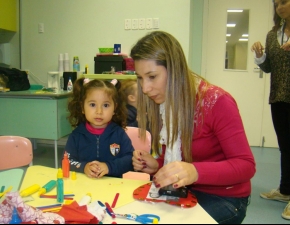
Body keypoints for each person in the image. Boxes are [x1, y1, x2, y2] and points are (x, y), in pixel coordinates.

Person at [130, 31, 256, 224]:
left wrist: (195, 172)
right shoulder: (164, 103)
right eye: (140, 78)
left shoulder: (217, 101)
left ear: (174, 70)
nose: (145, 88)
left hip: (225, 198)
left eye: (152, 76)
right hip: (185, 191)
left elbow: (246, 166)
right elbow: (177, 155)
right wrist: (157, 165)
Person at [251, 0, 290, 220]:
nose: (279, 7)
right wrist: (259, 56)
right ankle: (285, 190)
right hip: (278, 97)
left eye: (284, 2)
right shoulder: (272, 35)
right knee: (285, 147)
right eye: (276, 4)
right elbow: (268, 68)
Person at [65, 77, 134, 178]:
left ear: (114, 108)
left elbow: (130, 160)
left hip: (113, 187)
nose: (99, 111)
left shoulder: (119, 134)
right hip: (83, 187)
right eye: (92, 104)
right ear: (82, 107)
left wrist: (109, 167)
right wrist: (83, 167)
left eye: (105, 105)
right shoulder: (76, 135)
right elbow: (67, 161)